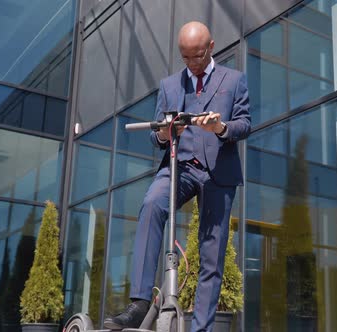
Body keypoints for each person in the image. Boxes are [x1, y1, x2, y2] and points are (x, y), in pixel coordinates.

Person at [104, 21, 251, 331]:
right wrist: (166, 132)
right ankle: (140, 303)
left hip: (217, 174)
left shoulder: (234, 80)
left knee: (211, 254)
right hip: (179, 167)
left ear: (210, 48)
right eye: (185, 58)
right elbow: (155, 137)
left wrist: (220, 128)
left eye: (197, 56)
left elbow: (244, 124)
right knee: (152, 204)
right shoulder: (169, 85)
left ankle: (201, 327)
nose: (192, 64)